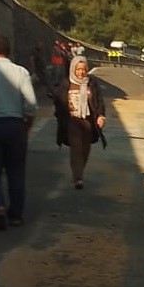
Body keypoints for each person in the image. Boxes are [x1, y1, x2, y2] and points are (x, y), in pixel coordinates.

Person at [0, 35, 37, 230]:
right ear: (9, 51)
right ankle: (16, 214)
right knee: (16, 171)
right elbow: (31, 104)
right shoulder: (21, 72)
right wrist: (27, 123)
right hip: (15, 124)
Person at [52, 55, 106, 190]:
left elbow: (99, 101)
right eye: (78, 69)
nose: (81, 72)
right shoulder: (66, 83)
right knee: (76, 148)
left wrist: (101, 116)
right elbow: (59, 102)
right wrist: (61, 117)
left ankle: (79, 171)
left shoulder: (91, 83)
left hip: (88, 121)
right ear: (73, 69)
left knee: (85, 148)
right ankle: (78, 178)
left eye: (84, 69)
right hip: (72, 121)